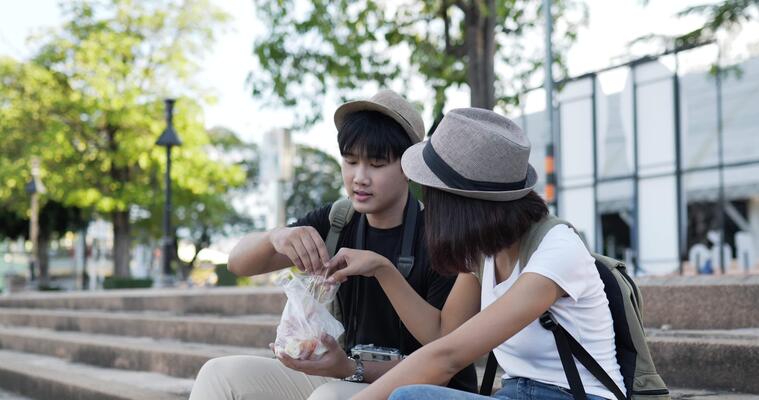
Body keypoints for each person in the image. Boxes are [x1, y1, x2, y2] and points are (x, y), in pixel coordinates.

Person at [188, 90, 477, 400]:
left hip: (418, 387)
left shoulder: (439, 235)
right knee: (219, 375)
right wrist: (276, 236)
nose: (359, 178)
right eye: (350, 161)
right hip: (344, 375)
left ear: (409, 166)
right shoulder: (338, 219)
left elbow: (443, 352)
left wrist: (382, 272)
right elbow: (239, 263)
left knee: (330, 397)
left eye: (376, 164)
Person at [325, 108, 625, 400]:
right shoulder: (485, 252)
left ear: (459, 205)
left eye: (432, 191)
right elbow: (442, 334)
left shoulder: (557, 250)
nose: (427, 201)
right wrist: (382, 269)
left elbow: (448, 357)